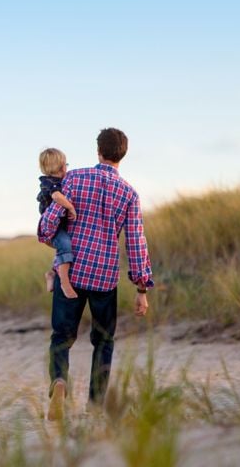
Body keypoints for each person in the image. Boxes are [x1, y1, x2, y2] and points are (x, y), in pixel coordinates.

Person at [38, 127, 153, 421]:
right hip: (104, 277)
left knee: (61, 338)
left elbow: (49, 223)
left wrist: (50, 233)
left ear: (98, 151)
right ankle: (97, 404)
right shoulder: (129, 193)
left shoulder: (74, 178)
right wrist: (141, 289)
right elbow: (136, 242)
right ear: (122, 155)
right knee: (103, 341)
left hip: (73, 272)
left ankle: (59, 382)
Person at [37, 148, 78, 299]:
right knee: (65, 245)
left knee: (65, 248)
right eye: (65, 164)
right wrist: (70, 207)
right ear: (62, 166)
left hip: (60, 224)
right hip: (53, 227)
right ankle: (64, 283)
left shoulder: (62, 181)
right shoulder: (48, 182)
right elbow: (56, 197)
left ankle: (52, 274)